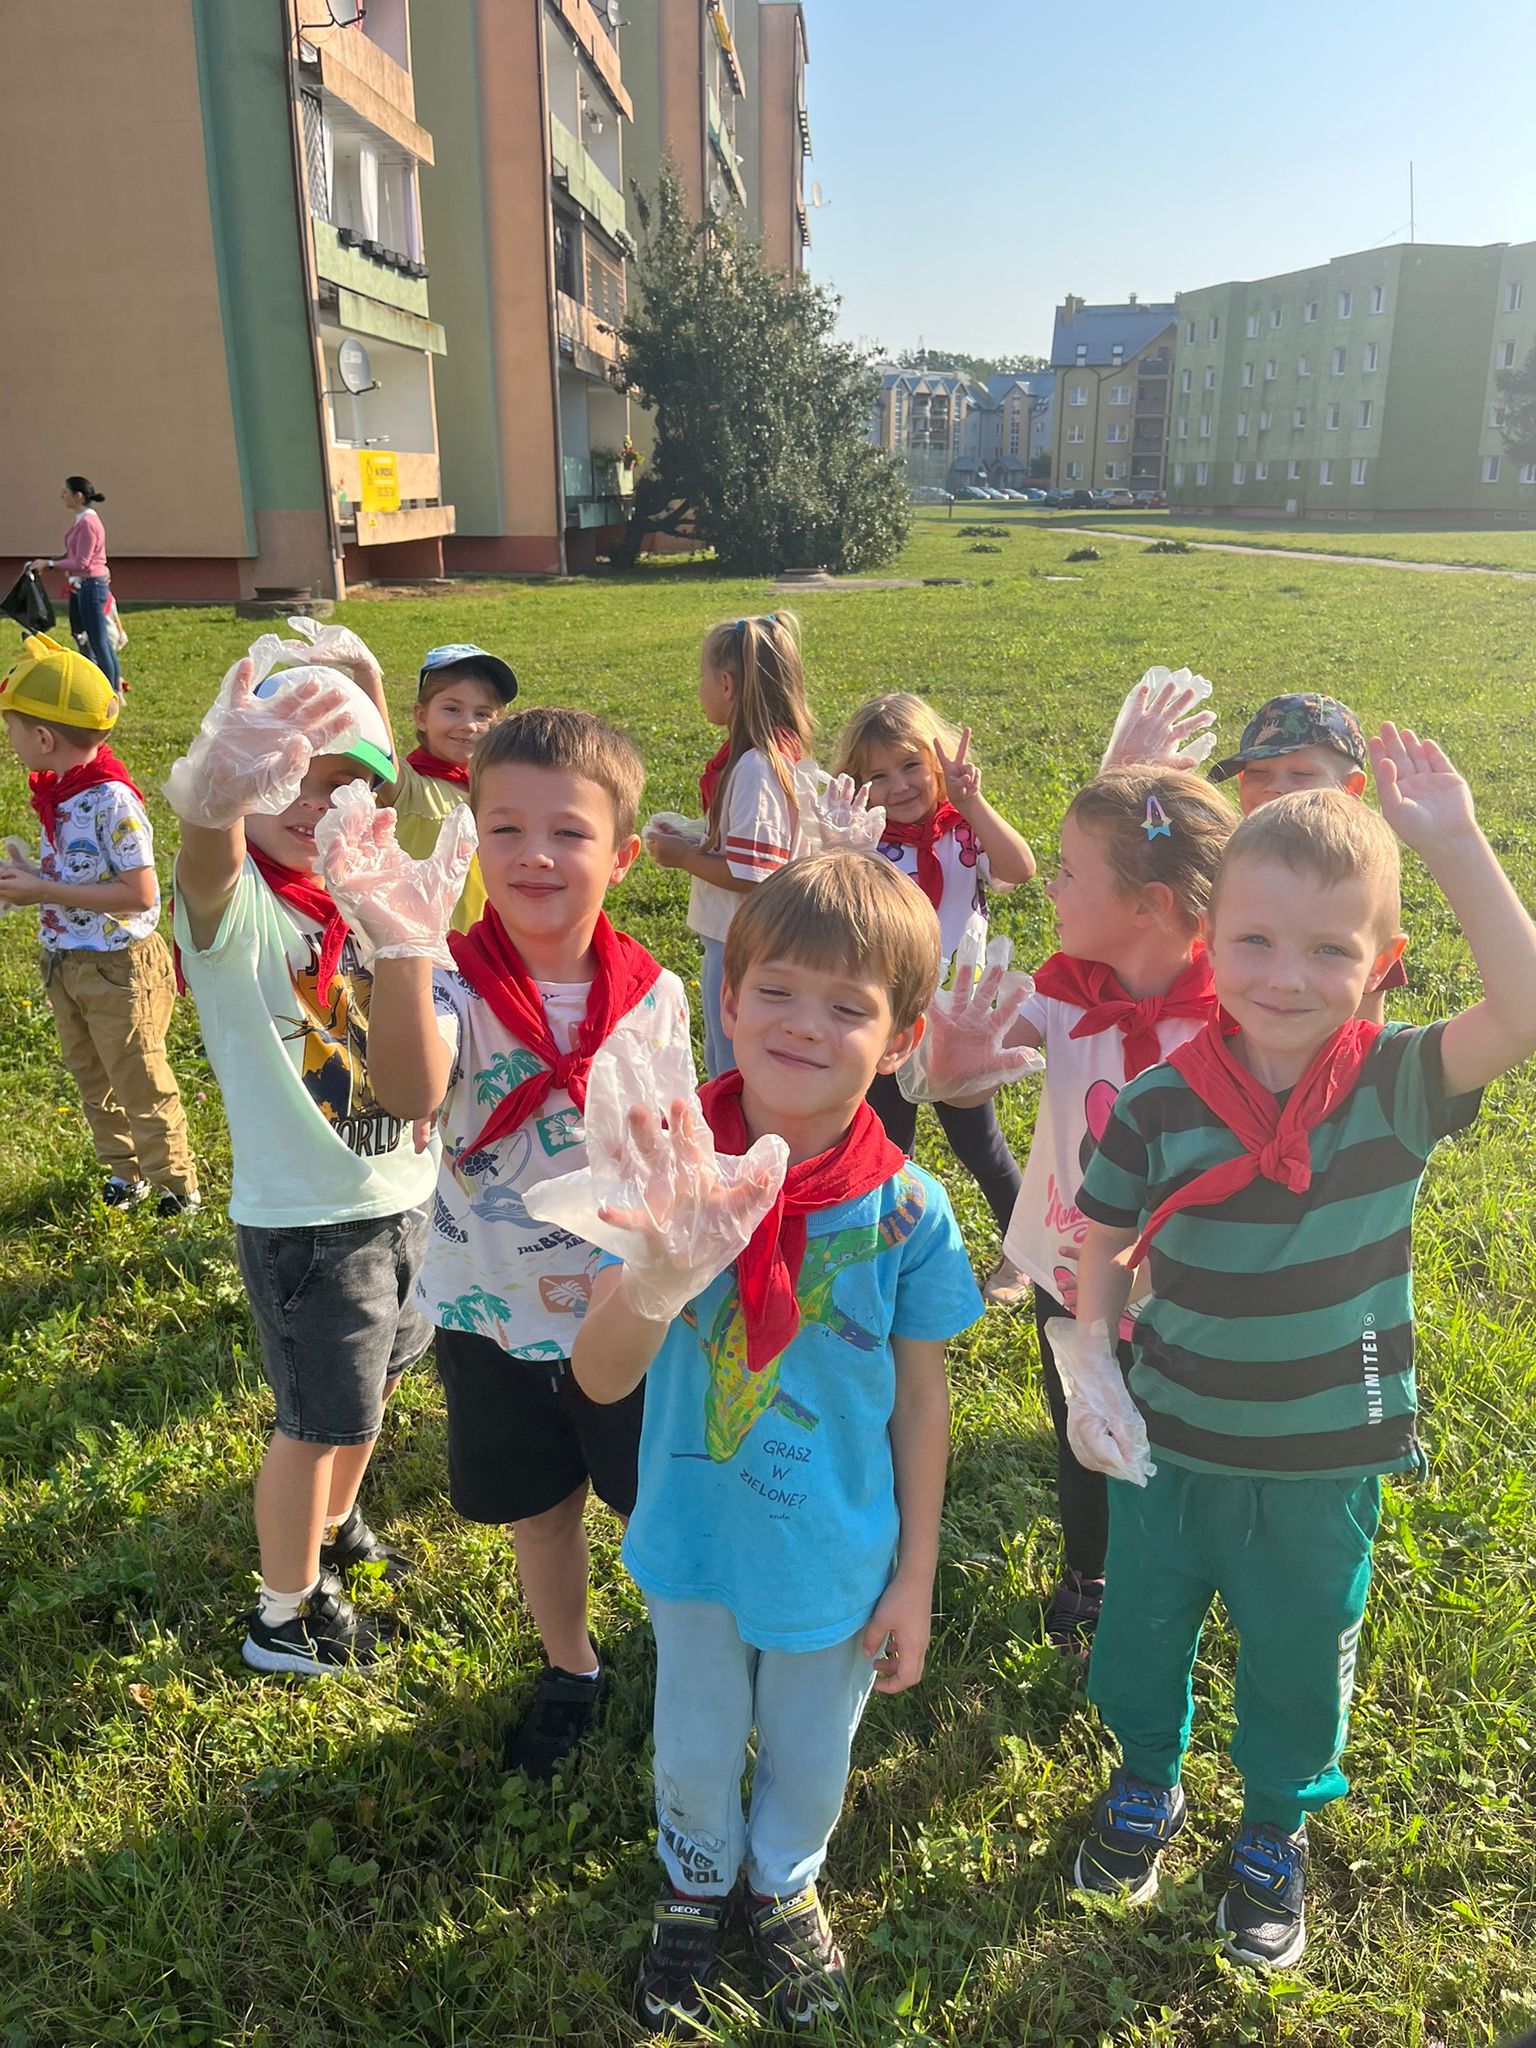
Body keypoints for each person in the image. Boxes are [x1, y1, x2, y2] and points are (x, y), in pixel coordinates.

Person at [1059, 731, 1536, 1969]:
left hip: (1328, 1452)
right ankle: (1145, 1778)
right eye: (1258, 942)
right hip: (1169, 1439)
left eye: (1332, 949)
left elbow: (1525, 1008)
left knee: (1294, 1653)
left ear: (1383, 966)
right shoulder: (1162, 1100)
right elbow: (1102, 1236)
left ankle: (1274, 1824)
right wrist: (1095, 1362)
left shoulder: (1396, 1084)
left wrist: (1454, 840)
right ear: (1210, 945)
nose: (1287, 974)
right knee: (1142, 1630)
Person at [568, 852, 984, 2030]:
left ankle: (784, 1878)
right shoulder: (666, 1167)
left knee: (808, 1755)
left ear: (900, 1039)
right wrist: (658, 1269)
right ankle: (696, 1880)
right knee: (694, 1742)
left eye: (850, 1006)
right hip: (695, 1539)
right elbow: (598, 1377)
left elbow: (918, 1401)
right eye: (782, 991)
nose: (808, 1025)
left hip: (839, 1560)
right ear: (729, 998)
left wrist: (915, 1573)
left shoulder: (908, 1207)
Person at [318, 706, 691, 1780]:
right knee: (540, 1511)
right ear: (472, 838)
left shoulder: (654, 991)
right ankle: (570, 1663)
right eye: (506, 827)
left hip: (628, 1315)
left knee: (654, 1504)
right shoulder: (444, 979)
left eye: (568, 832)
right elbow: (406, 1087)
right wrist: (397, 943)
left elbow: (671, 1142)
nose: (535, 854)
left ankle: (684, 1647)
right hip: (490, 1306)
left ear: (621, 856)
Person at [167, 641, 435, 1676]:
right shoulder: (240, 916)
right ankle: (283, 1612)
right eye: (290, 775)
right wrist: (213, 799)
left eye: (343, 787)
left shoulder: (368, 901)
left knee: (369, 1394)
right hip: (308, 1223)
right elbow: (206, 858)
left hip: (403, 1195)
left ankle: (336, 1530)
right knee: (312, 1418)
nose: (314, 802)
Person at [927, 768, 1236, 1651]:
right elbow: (959, 1070)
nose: (1050, 886)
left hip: (1192, 1280)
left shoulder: (1237, 1009)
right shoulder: (1060, 991)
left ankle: (1182, 1565)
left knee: (1180, 1425)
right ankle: (1091, 1572)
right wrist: (948, 1063)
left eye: (1067, 872)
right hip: (1069, 1261)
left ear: (1148, 903)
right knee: (1082, 1425)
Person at [832, 691, 1036, 1300]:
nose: (898, 785)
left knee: (982, 1145)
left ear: (939, 760)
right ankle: (893, 1263)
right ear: (857, 784)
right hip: (890, 1018)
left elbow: (1020, 868)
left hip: (956, 1023)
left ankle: (1025, 1252)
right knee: (888, 1148)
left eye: (911, 765)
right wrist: (838, 849)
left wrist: (973, 802)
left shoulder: (961, 832)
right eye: (877, 775)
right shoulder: (864, 842)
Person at [0, 633, 198, 1213]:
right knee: (92, 1076)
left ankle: (174, 1184)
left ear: (43, 737)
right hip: (69, 965)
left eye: (10, 730)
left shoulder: (110, 800)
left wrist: (44, 888)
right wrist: (31, 875)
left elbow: (138, 894)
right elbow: (84, 873)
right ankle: (124, 1172)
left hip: (118, 970)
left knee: (139, 1078)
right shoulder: (63, 794)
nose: (8, 743)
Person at [644, 612, 811, 1079]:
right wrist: (698, 836)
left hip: (741, 943)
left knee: (732, 1066)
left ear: (726, 685)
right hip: (749, 940)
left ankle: (738, 1148)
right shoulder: (769, 756)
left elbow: (752, 874)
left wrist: (683, 857)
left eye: (701, 677)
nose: (698, 689)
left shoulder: (756, 768)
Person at [1209, 691, 1410, 1020]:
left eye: (1301, 774)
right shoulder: (1223, 860)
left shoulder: (1355, 885)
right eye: (1258, 773)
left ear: (1352, 788)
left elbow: (1366, 1022)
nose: (1274, 787)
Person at [28, 477, 121, 694]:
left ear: (78, 496)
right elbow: (73, 555)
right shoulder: (81, 520)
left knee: (99, 641)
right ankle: (105, 687)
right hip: (82, 586)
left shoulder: (89, 523)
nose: (62, 496)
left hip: (91, 586)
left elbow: (82, 562)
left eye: (65, 492)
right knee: (86, 637)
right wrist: (48, 562)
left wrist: (51, 564)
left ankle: (111, 691)